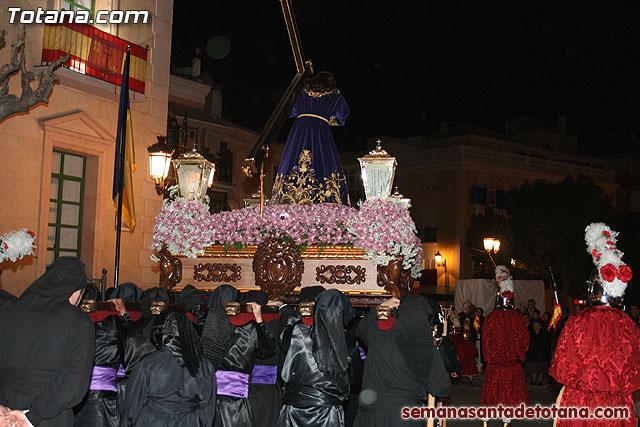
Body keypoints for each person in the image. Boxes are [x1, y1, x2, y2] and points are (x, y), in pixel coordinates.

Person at [549, 223, 640, 427]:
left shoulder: (577, 321)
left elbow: (561, 368)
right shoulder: (630, 326)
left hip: (580, 404)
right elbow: (635, 374)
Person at [0, 257, 95, 427]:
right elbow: (74, 383)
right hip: (49, 417)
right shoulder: (79, 322)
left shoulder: (8, 312)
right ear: (76, 292)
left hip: (5, 413)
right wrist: (32, 416)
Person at [353, 295, 445, 426]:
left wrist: (380, 308)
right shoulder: (422, 342)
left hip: (370, 410)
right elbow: (440, 386)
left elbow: (361, 329)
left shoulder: (377, 332)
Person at [120, 307, 216, 426]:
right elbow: (207, 410)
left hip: (153, 421)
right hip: (188, 421)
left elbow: (132, 406)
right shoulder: (204, 365)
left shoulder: (148, 363)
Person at [278, 289, 356, 427]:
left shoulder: (295, 331)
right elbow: (355, 379)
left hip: (295, 409)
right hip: (326, 412)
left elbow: (283, 338)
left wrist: (289, 312)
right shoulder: (348, 341)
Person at [271, 71, 351, 206]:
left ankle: (288, 196)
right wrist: (325, 118)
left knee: (293, 159)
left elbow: (288, 110)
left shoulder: (301, 91)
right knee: (323, 162)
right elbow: (342, 116)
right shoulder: (335, 95)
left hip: (299, 131)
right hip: (321, 131)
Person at [201, 285, 276, 427]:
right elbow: (268, 350)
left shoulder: (205, 330)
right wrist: (259, 321)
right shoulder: (247, 330)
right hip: (234, 402)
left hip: (208, 399)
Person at [480, 265, 529, 427]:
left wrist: (489, 358)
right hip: (512, 366)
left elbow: (486, 341)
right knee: (508, 397)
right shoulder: (519, 319)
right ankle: (505, 421)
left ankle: (486, 420)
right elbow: (524, 341)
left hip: (495, 366)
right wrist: (519, 356)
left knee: (492, 395)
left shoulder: (491, 318)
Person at [74, 286, 129, 427]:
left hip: (74, 393)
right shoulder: (113, 323)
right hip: (103, 396)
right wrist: (124, 315)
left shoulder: (70, 321)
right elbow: (132, 346)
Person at [451, 317, 479, 385]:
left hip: (467, 360)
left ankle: (466, 379)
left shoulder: (467, 344)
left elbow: (474, 352)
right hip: (465, 360)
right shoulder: (463, 344)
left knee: (466, 369)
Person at [525, 319, 551, 386]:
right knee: (533, 368)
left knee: (541, 369)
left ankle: (540, 381)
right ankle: (533, 381)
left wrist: (546, 353)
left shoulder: (545, 334)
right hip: (532, 354)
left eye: (537, 326)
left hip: (542, 354)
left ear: (540, 326)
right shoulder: (530, 334)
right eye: (535, 326)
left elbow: (547, 345)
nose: (536, 328)